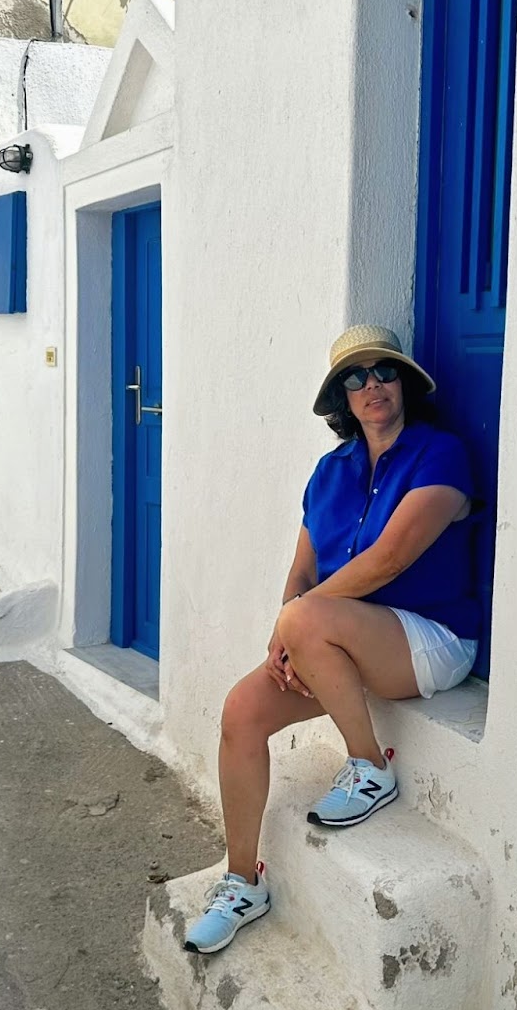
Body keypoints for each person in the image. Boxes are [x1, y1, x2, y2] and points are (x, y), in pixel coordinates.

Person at [184, 324, 479, 955]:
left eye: (383, 372)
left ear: (404, 383)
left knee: (306, 618)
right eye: (355, 377)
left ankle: (370, 768)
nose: (371, 385)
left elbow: (391, 560)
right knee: (241, 712)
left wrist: (301, 621)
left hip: (431, 640)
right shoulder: (330, 472)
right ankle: (241, 882)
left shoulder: (440, 454)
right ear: (341, 398)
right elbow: (303, 572)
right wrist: (281, 638)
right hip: (343, 643)